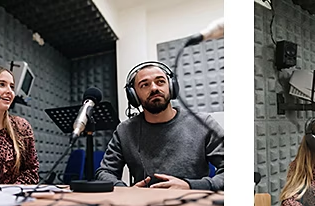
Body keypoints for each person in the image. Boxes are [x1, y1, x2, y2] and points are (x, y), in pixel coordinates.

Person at [95, 61, 224, 191]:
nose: (154, 88)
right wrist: (126, 191)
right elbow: (104, 172)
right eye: (144, 85)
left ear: (171, 87)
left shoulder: (202, 123)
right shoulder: (125, 131)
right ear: (134, 96)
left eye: (160, 81)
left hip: (193, 204)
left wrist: (190, 186)